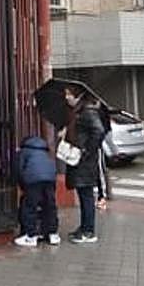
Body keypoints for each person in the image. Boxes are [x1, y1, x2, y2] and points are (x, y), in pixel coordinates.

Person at [61, 85, 107, 244]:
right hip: (79, 160)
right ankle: (84, 227)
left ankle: (89, 231)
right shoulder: (78, 112)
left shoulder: (87, 112)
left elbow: (99, 131)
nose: (66, 97)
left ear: (77, 95)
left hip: (85, 162)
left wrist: (86, 150)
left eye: (68, 94)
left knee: (86, 195)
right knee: (82, 195)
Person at [13, 134, 59, 246]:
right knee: (50, 206)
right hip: (50, 179)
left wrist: (23, 186)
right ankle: (53, 234)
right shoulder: (45, 151)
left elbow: (19, 169)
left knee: (30, 207)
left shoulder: (24, 151)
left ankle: (31, 236)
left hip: (33, 180)